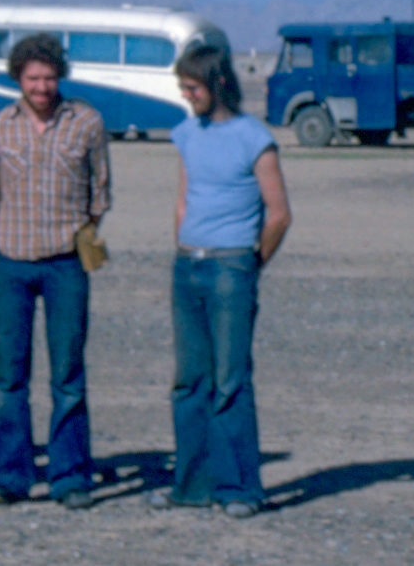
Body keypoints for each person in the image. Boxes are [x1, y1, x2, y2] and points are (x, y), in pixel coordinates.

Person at [148, 45, 292, 519]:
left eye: (194, 87)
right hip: (188, 265)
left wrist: (251, 263)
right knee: (189, 381)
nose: (188, 96)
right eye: (183, 88)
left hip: (232, 267)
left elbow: (278, 214)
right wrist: (182, 242)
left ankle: (240, 489)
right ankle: (191, 486)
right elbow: (183, 197)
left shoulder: (254, 138)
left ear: (217, 83)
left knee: (230, 381)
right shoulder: (186, 133)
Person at [0, 32, 110, 510]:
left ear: (60, 76)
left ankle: (70, 475)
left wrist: (84, 237)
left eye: (50, 77)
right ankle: (10, 476)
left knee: (68, 374)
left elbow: (100, 194)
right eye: (33, 77)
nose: (42, 86)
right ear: (18, 78)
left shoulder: (87, 122)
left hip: (66, 264)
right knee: (10, 375)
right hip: (12, 263)